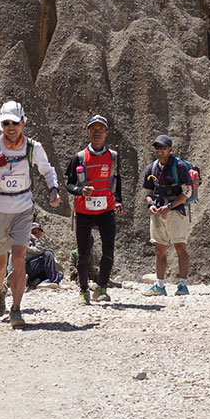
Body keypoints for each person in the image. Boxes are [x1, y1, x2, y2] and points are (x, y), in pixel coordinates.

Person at [0, 101, 61, 328]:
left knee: (18, 259)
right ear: (2, 124)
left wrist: (54, 189)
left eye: (15, 123)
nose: (11, 127)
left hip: (23, 207)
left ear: (23, 123)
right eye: (6, 123)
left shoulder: (33, 148)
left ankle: (16, 308)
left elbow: (47, 170)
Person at [65, 114, 124, 305]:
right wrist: (81, 191)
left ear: (107, 133)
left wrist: (118, 200)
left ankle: (102, 287)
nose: (97, 132)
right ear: (88, 132)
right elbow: (69, 184)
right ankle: (83, 291)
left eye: (101, 129)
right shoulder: (79, 157)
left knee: (108, 249)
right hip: (84, 211)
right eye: (93, 129)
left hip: (106, 209)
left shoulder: (113, 156)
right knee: (84, 252)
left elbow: (117, 180)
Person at [141, 134, 192, 298]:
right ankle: (160, 285)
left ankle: (183, 284)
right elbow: (148, 192)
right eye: (157, 147)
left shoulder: (180, 166)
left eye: (162, 147)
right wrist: (151, 204)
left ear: (170, 148)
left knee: (180, 247)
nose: (159, 150)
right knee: (159, 248)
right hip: (158, 212)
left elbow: (187, 192)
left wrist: (170, 206)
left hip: (175, 211)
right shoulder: (152, 167)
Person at [25, 219, 63, 289]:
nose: (37, 234)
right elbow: (39, 250)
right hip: (27, 267)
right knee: (48, 254)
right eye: (34, 232)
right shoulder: (26, 241)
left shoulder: (38, 242)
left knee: (58, 273)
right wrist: (34, 238)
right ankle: (54, 282)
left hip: (36, 268)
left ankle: (39, 282)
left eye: (38, 232)